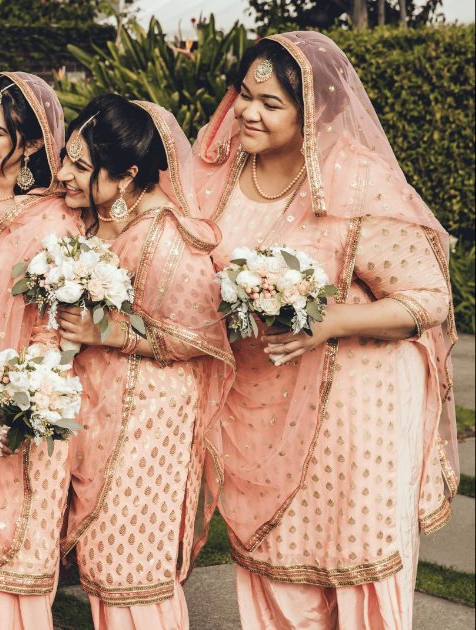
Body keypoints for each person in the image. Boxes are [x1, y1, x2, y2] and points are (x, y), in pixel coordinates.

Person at [194, 32, 457, 629]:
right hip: (260, 400)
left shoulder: (356, 182)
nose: (247, 113)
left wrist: (331, 320)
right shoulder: (222, 174)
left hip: (355, 408)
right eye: (244, 95)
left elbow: (428, 298)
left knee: (354, 561)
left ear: (310, 111)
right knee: (275, 560)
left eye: (270, 104)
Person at [55, 95, 235, 630]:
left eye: (81, 166)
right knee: (103, 569)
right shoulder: (110, 222)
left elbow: (200, 337)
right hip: (109, 413)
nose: (63, 173)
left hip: (149, 429)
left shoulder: (167, 236)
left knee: (129, 570)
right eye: (68, 157)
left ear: (128, 174)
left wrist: (105, 333)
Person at [0, 72, 81, 630]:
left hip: (20, 408)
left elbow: (53, 328)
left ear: (30, 144)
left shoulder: (53, 218)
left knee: (17, 562)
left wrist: (22, 403)